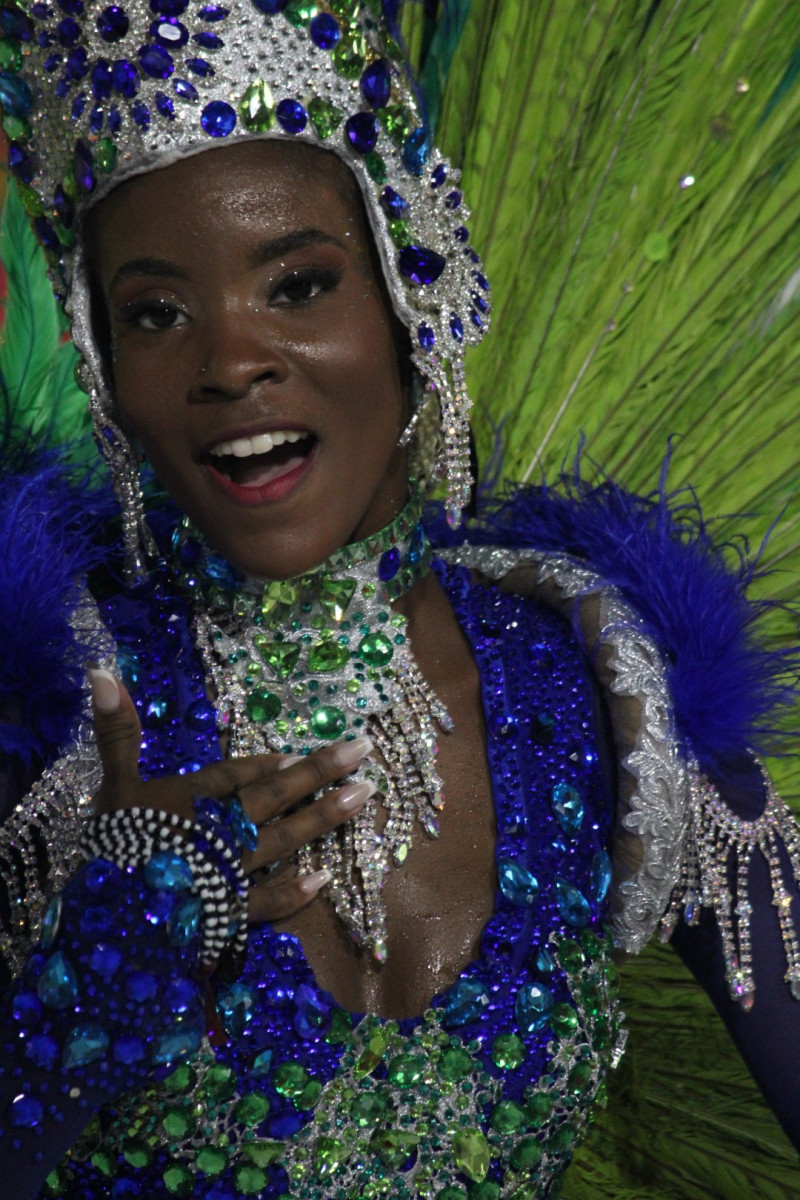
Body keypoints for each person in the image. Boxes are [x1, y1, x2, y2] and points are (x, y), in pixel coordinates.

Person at [0, 3, 799, 1199]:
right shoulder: (48, 727)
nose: (231, 361)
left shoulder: (607, 694)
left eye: (298, 285)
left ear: (413, 288)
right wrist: (89, 992)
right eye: (156, 314)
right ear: (101, 363)